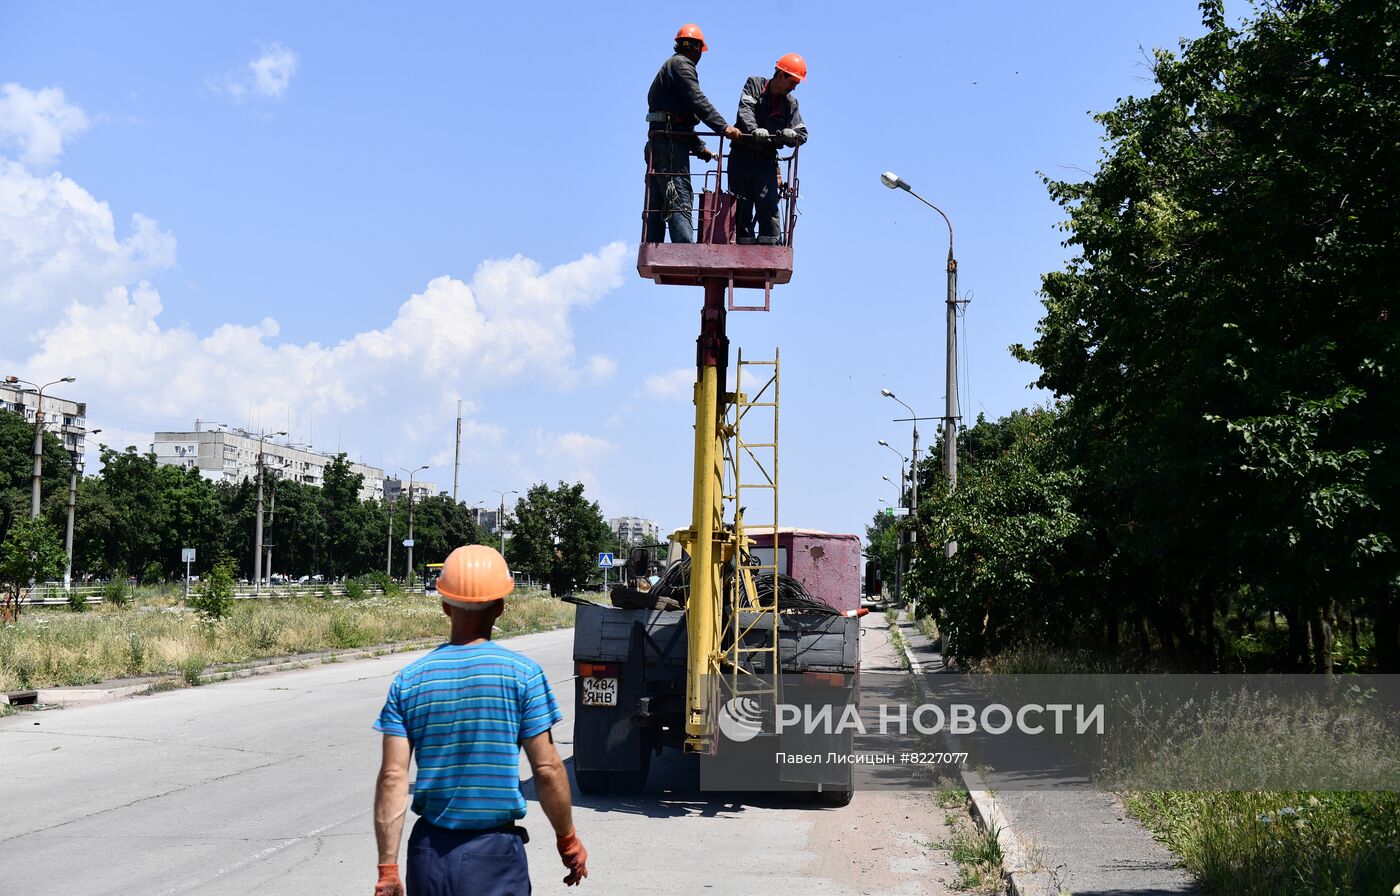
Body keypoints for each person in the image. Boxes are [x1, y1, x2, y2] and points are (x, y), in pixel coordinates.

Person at [372, 544, 588, 895]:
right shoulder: (523, 676)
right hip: (496, 857)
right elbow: (547, 768)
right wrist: (568, 841)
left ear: (445, 606)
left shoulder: (408, 680)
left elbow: (393, 776)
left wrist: (388, 868)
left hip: (429, 857)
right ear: (500, 607)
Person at [645, 23, 743, 243]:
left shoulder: (671, 67)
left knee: (659, 199)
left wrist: (701, 149)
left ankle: (653, 242)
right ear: (698, 48)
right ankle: (684, 246)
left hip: (662, 140)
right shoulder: (682, 65)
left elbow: (680, 121)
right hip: (669, 144)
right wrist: (724, 127)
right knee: (678, 193)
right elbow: (697, 101)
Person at [730, 53, 809, 245]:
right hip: (742, 156)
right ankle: (742, 244)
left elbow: (802, 133)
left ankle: (770, 246)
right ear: (780, 75)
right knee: (742, 205)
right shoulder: (754, 85)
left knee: (768, 205)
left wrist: (791, 135)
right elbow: (745, 111)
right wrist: (754, 130)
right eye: (792, 82)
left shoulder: (790, 103)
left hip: (766, 160)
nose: (794, 87)